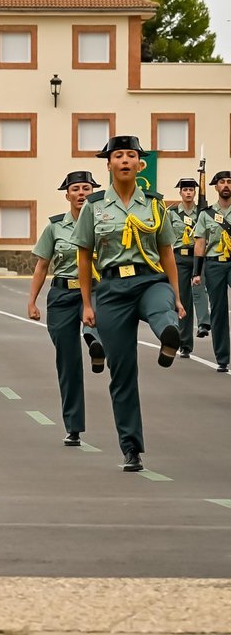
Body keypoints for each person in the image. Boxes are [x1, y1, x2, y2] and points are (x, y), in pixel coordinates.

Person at [72, 135, 184, 472]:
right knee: (122, 374)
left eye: (130, 155)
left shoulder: (154, 204)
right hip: (112, 287)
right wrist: (87, 304)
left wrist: (178, 296)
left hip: (149, 279)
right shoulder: (93, 207)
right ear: (108, 165)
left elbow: (166, 252)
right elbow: (84, 256)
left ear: (140, 164)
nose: (124, 160)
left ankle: (169, 338)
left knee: (163, 308)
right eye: (117, 155)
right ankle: (131, 447)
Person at [28, 171, 105, 446]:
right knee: (68, 362)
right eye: (76, 189)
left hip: (95, 289)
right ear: (67, 195)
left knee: (94, 319)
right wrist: (32, 301)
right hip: (62, 294)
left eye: (86, 188)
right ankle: (73, 427)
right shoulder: (55, 227)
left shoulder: (105, 224)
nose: (81, 193)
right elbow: (42, 266)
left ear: (93, 193)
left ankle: (96, 342)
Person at [192, 170, 231, 373]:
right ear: (216, 187)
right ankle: (222, 357)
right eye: (222, 182)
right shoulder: (206, 214)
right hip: (214, 264)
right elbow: (200, 243)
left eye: (229, 182)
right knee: (219, 311)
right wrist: (196, 273)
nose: (226, 185)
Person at [168, 178, 211, 358]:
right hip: (179, 257)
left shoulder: (202, 212)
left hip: (198, 256)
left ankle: (203, 324)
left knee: (199, 290)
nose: (188, 193)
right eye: (185, 190)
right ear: (180, 192)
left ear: (194, 193)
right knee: (183, 300)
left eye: (191, 190)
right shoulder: (172, 213)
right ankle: (185, 343)